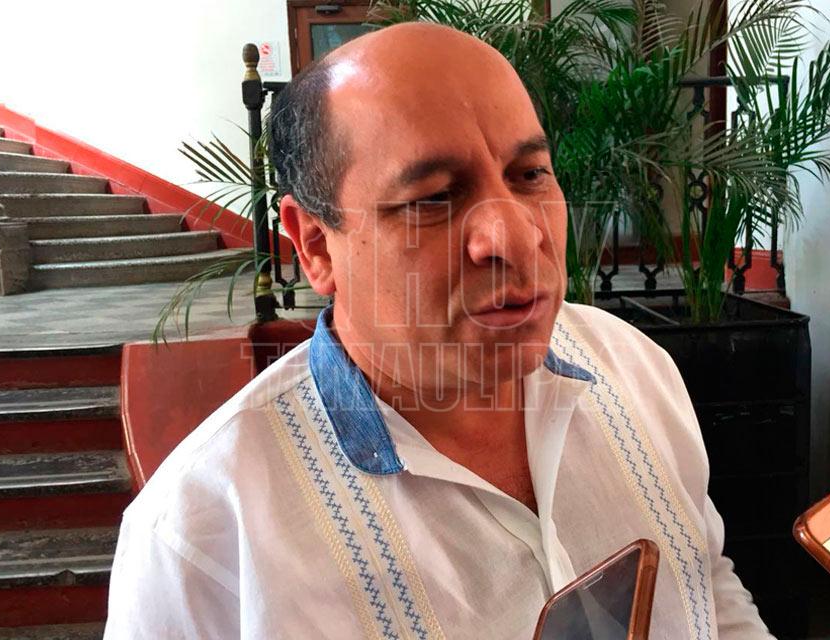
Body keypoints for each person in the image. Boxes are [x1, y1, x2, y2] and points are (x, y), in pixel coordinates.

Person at [104, 22, 772, 639]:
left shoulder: (634, 366)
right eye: (432, 198)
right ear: (315, 245)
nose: (518, 236)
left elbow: (703, 584)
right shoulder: (201, 539)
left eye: (529, 175)